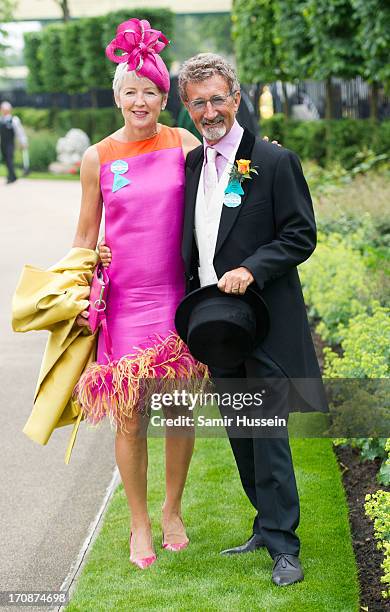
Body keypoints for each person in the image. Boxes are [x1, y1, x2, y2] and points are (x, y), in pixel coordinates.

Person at [72, 18, 207, 570]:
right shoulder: (98, 158)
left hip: (177, 298)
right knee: (130, 417)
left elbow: (223, 197)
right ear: (117, 97)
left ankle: (172, 509)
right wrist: (87, 268)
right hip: (125, 304)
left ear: (162, 96)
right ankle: (139, 524)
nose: (140, 100)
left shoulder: (185, 143)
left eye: (150, 90)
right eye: (131, 91)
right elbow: (83, 237)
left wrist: (256, 162)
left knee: (178, 411)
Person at [0, 101, 28, 184]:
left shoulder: (14, 120)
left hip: (10, 143)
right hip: (3, 143)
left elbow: (20, 132)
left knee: (9, 159)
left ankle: (12, 176)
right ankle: (12, 176)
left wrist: (23, 142)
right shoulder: (1, 120)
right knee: (6, 159)